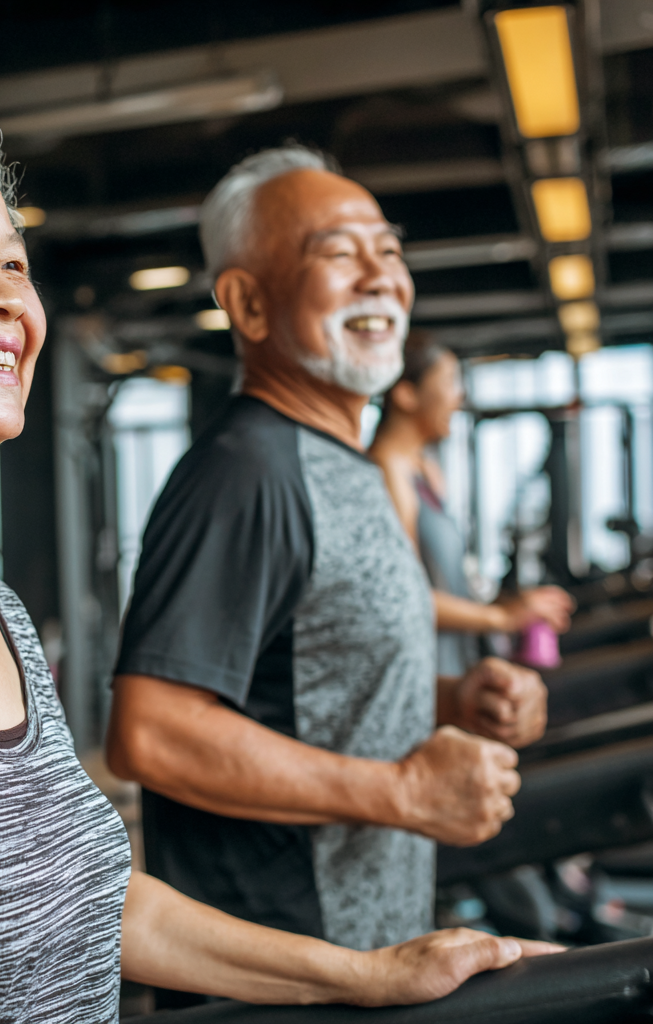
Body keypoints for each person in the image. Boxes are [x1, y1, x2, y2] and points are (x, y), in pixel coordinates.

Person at [0, 87, 556, 1024]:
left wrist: (369, 973)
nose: (11, 297)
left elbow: (95, 896)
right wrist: (400, 794)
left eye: (15, 262)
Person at [106, 147, 551, 1008]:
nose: (380, 276)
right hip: (286, 974)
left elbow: (305, 684)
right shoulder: (248, 472)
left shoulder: (340, 464)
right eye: (340, 253)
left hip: (366, 953)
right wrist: (404, 791)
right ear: (248, 303)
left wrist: (456, 701)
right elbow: (152, 734)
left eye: (389, 250)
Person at [368, 331, 575, 676]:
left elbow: (442, 581)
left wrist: (513, 606)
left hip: (453, 663)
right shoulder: (387, 471)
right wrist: (502, 617)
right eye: (449, 382)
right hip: (421, 674)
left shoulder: (424, 470)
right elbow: (401, 597)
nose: (459, 396)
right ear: (405, 394)